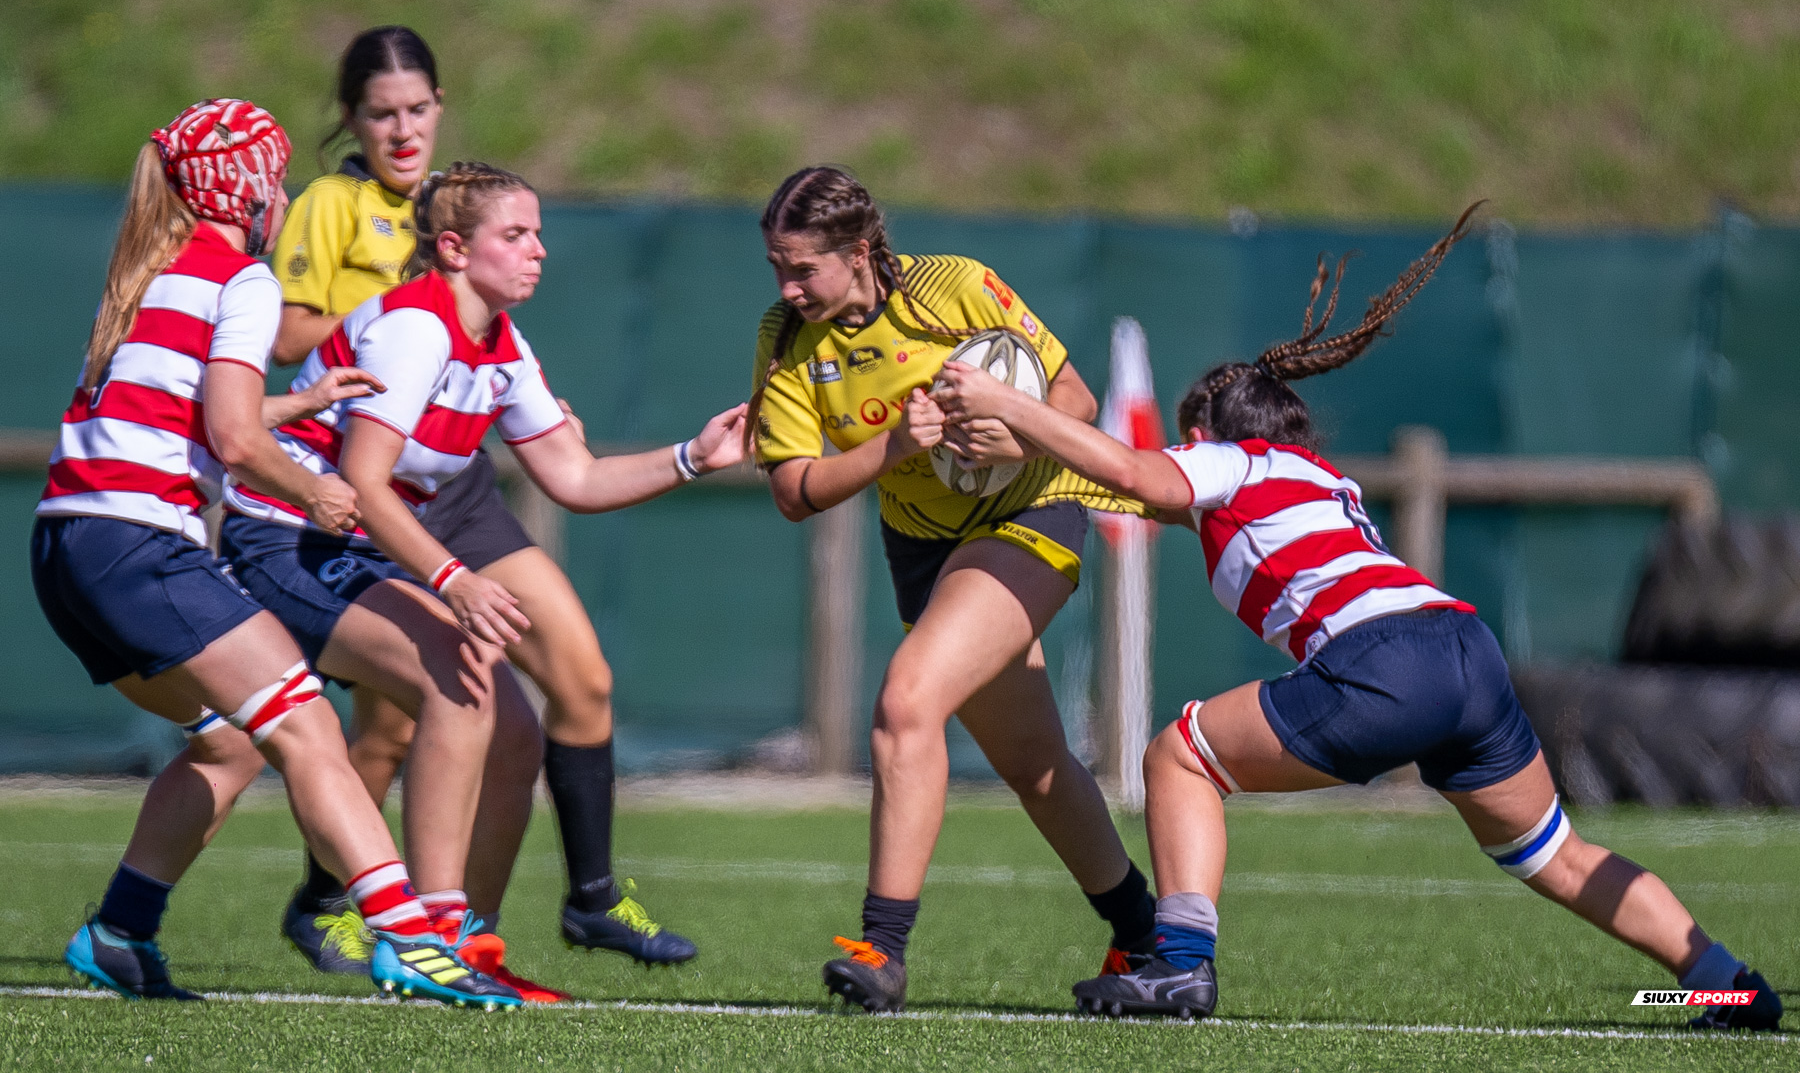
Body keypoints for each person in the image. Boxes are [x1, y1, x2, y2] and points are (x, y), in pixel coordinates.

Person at [930, 206, 1785, 1031]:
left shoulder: (1231, 461)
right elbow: (1120, 481)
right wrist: (1013, 444)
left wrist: (1011, 406)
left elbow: (1137, 474)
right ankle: (1725, 983)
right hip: (1464, 651)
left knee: (1180, 754)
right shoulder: (1313, 477)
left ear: (1203, 431)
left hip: (1387, 664)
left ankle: (1181, 964)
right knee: (1554, 856)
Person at [31, 98, 518, 1009]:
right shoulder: (241, 279)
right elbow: (234, 438)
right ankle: (410, 937)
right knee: (310, 725)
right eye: (278, 175)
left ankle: (120, 931)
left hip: (65, 545)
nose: (285, 194)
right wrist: (319, 491)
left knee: (227, 745)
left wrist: (302, 404)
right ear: (247, 186)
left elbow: (188, 416)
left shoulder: (148, 271)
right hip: (141, 543)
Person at [230, 159, 747, 982]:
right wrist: (453, 581)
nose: (538, 249)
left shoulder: (501, 343)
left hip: (359, 545)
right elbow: (363, 480)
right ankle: (423, 938)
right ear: (454, 249)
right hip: (284, 538)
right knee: (455, 675)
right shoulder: (417, 327)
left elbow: (574, 477)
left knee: (514, 730)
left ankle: (472, 942)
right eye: (516, 234)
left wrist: (693, 456)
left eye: (538, 232)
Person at [748, 166, 1159, 1013]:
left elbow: (1077, 401)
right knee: (1035, 765)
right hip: (922, 548)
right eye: (776, 269)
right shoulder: (787, 336)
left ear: (859, 252)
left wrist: (1006, 431)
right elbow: (795, 491)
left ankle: (882, 949)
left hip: (1032, 512)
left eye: (804, 270)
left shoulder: (955, 288)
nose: (788, 288)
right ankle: (1146, 937)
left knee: (906, 702)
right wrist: (896, 447)